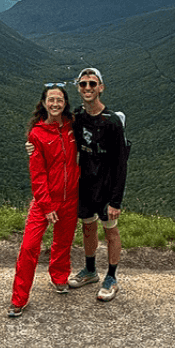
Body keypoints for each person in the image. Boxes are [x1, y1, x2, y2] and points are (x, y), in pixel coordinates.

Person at [8, 83, 79, 317]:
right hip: (44, 201)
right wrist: (47, 205)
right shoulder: (37, 134)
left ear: (65, 103)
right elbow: (37, 175)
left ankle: (59, 278)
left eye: (59, 100)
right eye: (51, 100)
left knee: (63, 242)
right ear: (44, 103)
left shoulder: (73, 126)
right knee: (29, 247)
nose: (56, 104)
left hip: (71, 198)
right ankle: (19, 298)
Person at [67, 67, 129, 302]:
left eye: (92, 84)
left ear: (101, 87)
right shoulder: (77, 116)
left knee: (110, 229)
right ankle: (91, 271)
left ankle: (111, 277)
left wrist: (116, 200)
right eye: (83, 84)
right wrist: (32, 145)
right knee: (88, 227)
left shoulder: (112, 122)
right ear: (79, 88)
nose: (87, 88)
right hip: (85, 184)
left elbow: (121, 164)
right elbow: (55, 133)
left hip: (107, 185)